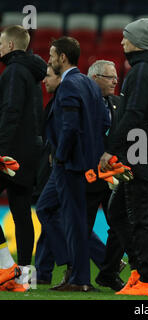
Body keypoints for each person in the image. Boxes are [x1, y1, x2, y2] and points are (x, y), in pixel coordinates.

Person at [100, 18, 148, 296]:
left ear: (138, 41)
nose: (121, 42)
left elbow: (133, 114)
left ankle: (146, 280)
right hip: (147, 153)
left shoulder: (141, 72)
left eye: (125, 37)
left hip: (141, 155)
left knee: (139, 219)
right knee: (118, 214)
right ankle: (139, 272)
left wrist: (111, 148)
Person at [36, 36, 110, 292]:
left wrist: (61, 156)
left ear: (63, 57)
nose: (50, 59)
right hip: (83, 164)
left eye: (52, 54)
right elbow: (103, 123)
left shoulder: (68, 86)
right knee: (50, 210)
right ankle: (74, 269)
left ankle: (79, 278)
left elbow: (69, 127)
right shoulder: (89, 84)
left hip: (68, 165)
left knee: (71, 219)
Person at [0, 25, 47, 277]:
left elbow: (11, 111)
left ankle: (6, 266)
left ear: (9, 46)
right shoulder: (31, 73)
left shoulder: (14, 71)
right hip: (31, 151)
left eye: (0, 44)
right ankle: (27, 276)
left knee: (21, 213)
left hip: (11, 153)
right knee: (21, 212)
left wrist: (2, 150)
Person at [87, 60, 127, 291]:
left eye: (115, 78)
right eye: (110, 77)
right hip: (90, 174)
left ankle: (109, 271)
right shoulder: (85, 103)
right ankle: (77, 275)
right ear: (95, 78)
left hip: (112, 175)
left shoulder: (117, 103)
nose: (115, 81)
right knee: (83, 225)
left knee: (119, 224)